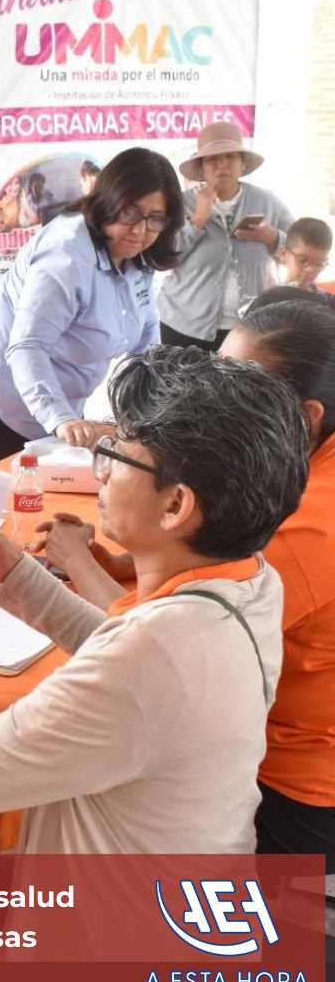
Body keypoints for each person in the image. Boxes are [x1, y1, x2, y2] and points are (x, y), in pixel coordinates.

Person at [0, 346, 310, 853]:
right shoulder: (251, 579)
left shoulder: (151, 656)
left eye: (114, 454)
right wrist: (14, 570)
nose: (103, 473)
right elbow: (128, 660)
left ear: (176, 504)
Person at [39, 298, 335, 867]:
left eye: (243, 385)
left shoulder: (304, 531)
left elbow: (154, 638)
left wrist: (77, 562)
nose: (211, 400)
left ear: (308, 416)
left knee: (81, 795)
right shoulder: (303, 473)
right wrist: (128, 562)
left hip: (291, 789)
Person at [0, 147, 184, 464]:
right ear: (108, 201)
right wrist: (61, 419)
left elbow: (146, 344)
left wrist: (151, 409)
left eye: (155, 219)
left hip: (58, 404)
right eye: (130, 213)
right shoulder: (66, 255)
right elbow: (28, 346)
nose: (140, 230)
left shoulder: (137, 256)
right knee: (15, 501)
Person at [158, 120, 293, 351]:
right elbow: (163, 256)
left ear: (243, 165)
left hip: (248, 328)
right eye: (212, 159)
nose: (222, 164)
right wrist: (198, 219)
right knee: (185, 387)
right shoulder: (180, 203)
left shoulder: (267, 201)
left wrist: (271, 237)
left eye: (230, 156)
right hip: (184, 326)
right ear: (201, 168)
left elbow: (297, 248)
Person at [278, 217, 334, 305]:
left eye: (319, 264)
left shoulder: (327, 301)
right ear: (283, 254)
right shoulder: (270, 299)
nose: (310, 270)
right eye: (303, 261)